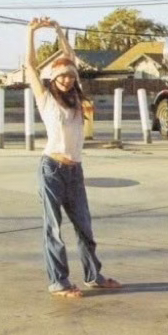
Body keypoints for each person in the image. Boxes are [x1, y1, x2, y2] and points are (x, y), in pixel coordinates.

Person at [24, 19, 121, 303]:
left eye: (69, 75)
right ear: (53, 79)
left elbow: (71, 55)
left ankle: (94, 276)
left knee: (85, 227)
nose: (66, 80)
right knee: (54, 228)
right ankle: (58, 282)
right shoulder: (45, 99)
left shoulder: (77, 100)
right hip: (52, 170)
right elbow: (30, 66)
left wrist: (59, 32)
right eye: (61, 76)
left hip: (75, 171)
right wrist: (31, 32)